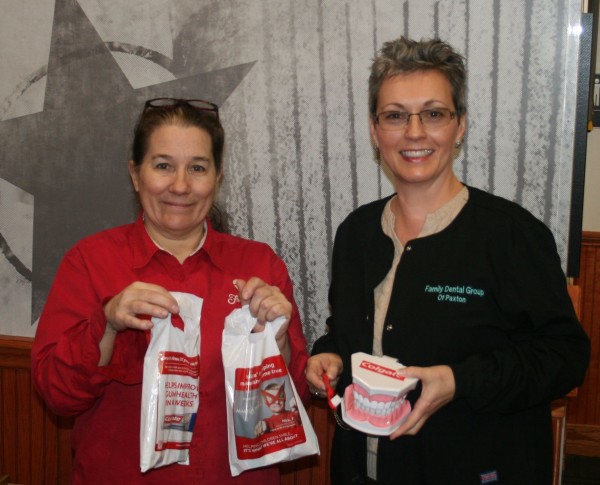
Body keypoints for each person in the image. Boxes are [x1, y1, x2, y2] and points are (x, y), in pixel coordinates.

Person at [305, 37, 590, 485]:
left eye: (434, 114)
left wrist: (461, 380)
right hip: (362, 471)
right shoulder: (356, 233)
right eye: (395, 116)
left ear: (460, 127)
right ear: (375, 130)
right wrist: (327, 356)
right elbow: (344, 331)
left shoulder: (511, 235)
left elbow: (565, 356)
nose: (414, 132)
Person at [31, 98, 309, 484]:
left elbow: (295, 401)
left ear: (217, 177)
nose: (180, 185)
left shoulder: (259, 266)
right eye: (163, 166)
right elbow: (57, 396)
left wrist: (278, 344)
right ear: (135, 174)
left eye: (197, 168)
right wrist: (107, 322)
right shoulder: (90, 262)